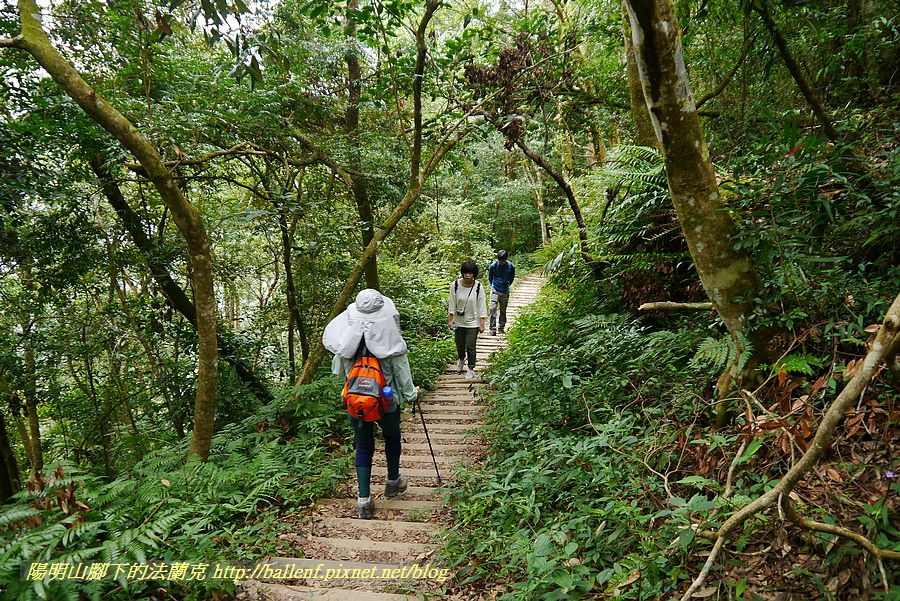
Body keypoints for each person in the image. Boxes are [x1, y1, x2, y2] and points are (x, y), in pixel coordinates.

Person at [323, 289, 418, 519]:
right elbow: (402, 373)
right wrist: (411, 394)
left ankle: (363, 500)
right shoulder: (391, 340)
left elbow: (338, 371)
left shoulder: (347, 341)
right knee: (392, 437)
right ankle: (393, 481)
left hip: (357, 402)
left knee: (364, 445)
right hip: (387, 401)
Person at [448, 260, 488, 379]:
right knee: (459, 344)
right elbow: (452, 303)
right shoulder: (455, 285)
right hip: (459, 321)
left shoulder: (478, 287)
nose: (468, 275)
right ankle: (461, 359)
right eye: (465, 273)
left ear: (474, 274)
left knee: (470, 345)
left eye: (470, 273)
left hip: (473, 322)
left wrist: (482, 322)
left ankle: (471, 368)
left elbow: (482, 304)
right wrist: (451, 319)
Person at [488, 250, 515, 335]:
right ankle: (492, 329)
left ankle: (501, 327)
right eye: (500, 260)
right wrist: (494, 285)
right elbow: (490, 277)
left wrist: (507, 285)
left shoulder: (510, 266)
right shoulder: (493, 266)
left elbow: (512, 277)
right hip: (495, 290)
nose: (501, 262)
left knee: (503, 310)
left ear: (506, 259)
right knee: (492, 308)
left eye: (503, 260)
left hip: (505, 291)